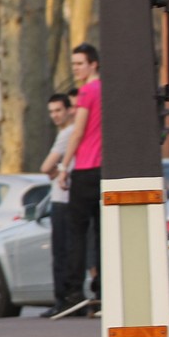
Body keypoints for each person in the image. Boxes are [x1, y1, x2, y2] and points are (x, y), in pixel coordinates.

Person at [56, 44, 102, 316]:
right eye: (73, 64)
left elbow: (78, 131)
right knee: (101, 234)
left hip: (84, 169)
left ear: (93, 64)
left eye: (80, 64)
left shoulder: (86, 92)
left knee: (76, 234)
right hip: (103, 170)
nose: (75, 69)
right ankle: (102, 290)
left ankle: (74, 294)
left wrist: (64, 167)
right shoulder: (106, 90)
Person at [39, 93, 76, 318]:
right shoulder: (68, 133)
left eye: (58, 110)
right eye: (51, 111)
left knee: (61, 252)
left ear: (69, 110)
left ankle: (62, 300)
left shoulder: (67, 134)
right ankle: (66, 298)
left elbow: (45, 167)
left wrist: (53, 170)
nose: (55, 115)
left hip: (63, 200)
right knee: (68, 251)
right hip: (64, 197)